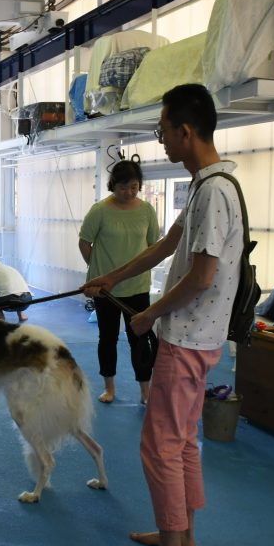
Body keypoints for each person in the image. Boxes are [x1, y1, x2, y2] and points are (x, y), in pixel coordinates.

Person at [83, 83, 244, 546]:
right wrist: (111, 277)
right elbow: (167, 247)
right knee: (183, 442)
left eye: (164, 131)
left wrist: (149, 314)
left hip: (189, 338)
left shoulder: (214, 191)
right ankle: (182, 537)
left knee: (159, 445)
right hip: (197, 336)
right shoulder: (206, 185)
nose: (163, 142)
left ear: (186, 131)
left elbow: (202, 276)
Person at [78, 159, 160, 404]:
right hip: (107, 291)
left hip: (138, 287)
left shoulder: (147, 210)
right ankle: (109, 387)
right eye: (124, 187)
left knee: (140, 340)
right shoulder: (100, 210)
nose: (129, 192)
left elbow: (153, 246)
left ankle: (145, 390)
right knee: (108, 338)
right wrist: (97, 270)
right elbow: (84, 242)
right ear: (113, 185)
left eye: (134, 187)